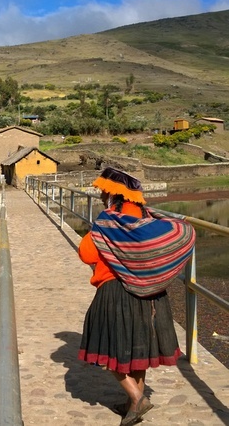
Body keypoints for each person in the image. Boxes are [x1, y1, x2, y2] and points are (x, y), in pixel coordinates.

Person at [77, 167, 191, 426]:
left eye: (104, 191)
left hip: (116, 292)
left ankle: (137, 398)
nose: (101, 195)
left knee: (108, 349)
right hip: (151, 294)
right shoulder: (148, 219)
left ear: (113, 194)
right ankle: (132, 405)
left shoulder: (109, 221)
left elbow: (87, 253)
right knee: (138, 349)